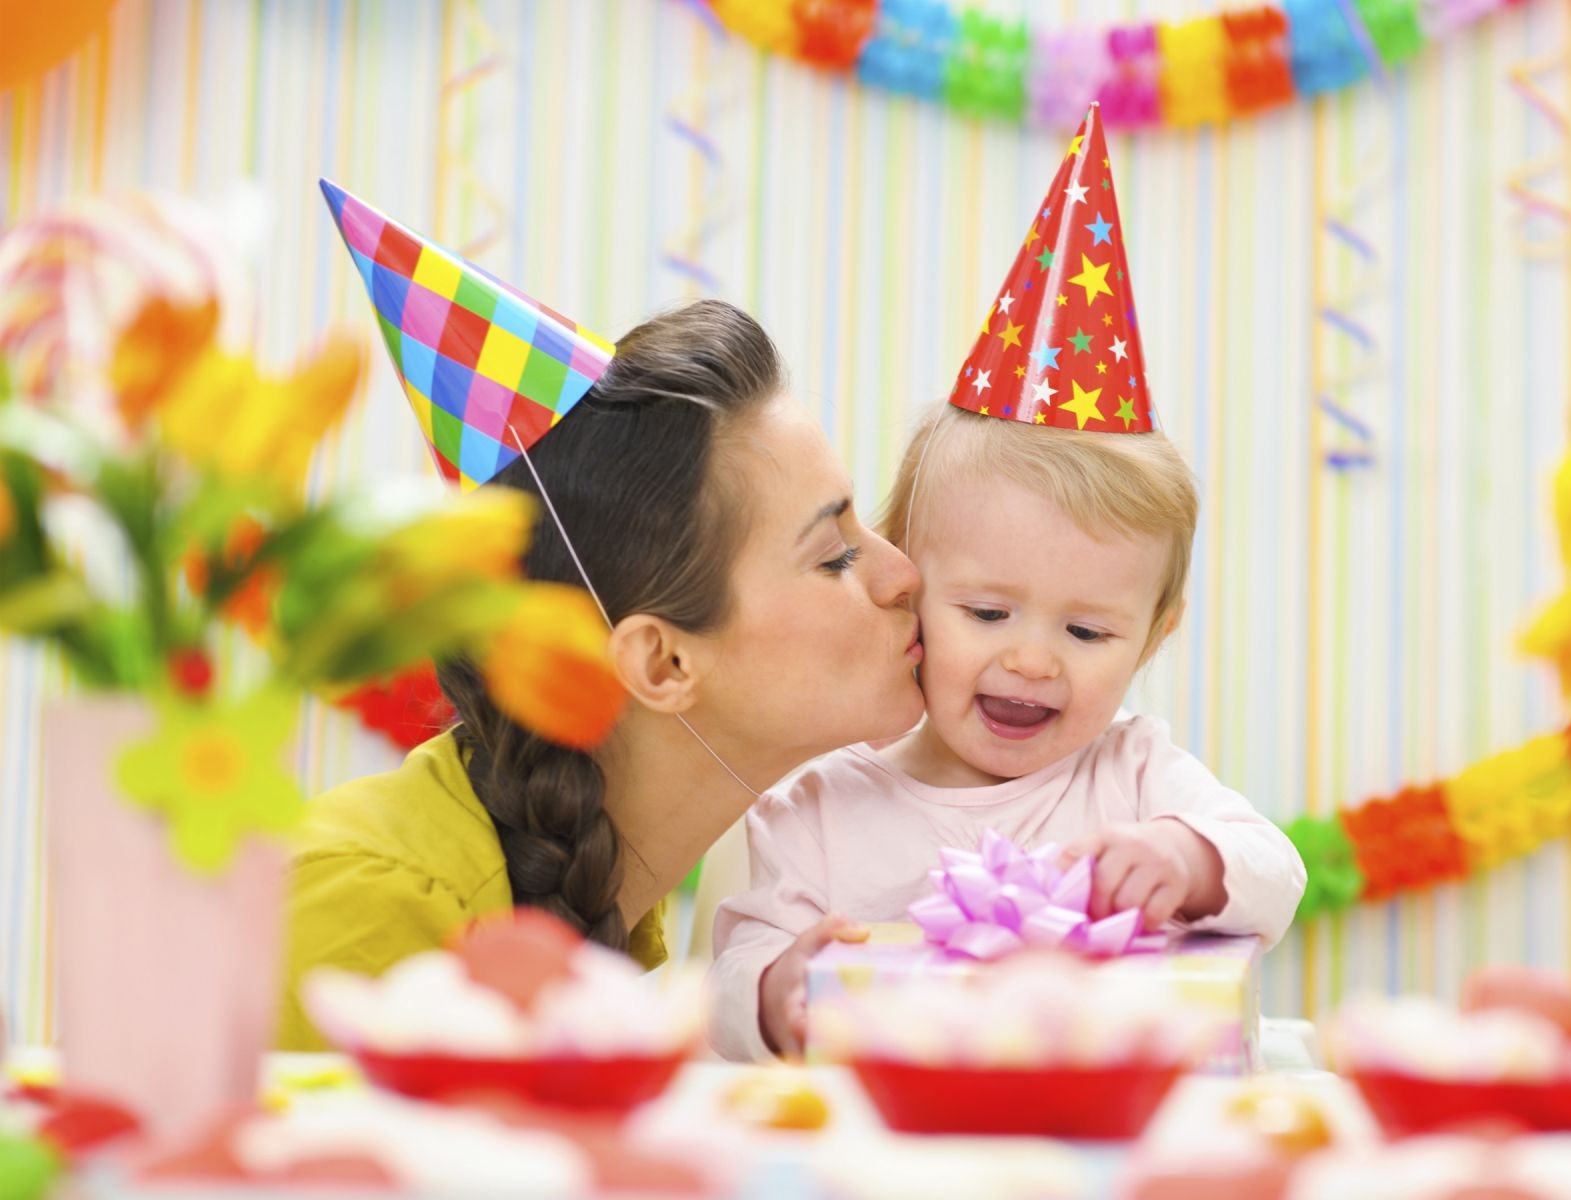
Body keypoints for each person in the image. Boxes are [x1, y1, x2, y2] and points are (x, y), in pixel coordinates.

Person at [709, 108, 1306, 1062]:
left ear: (1154, 636)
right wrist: (778, 987)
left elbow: (1274, 871)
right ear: (908, 587)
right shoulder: (818, 801)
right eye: (987, 613)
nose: (1032, 659)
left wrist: (1187, 860)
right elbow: (733, 976)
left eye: (1090, 633)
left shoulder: (1137, 776)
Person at [279, 185, 922, 1050]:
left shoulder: (620, 907)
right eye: (835, 555)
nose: (902, 573)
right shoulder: (370, 907)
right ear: (661, 664)